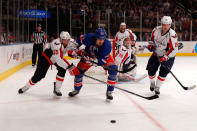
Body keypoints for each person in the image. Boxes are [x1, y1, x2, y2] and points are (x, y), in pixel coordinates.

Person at [18, 31, 80, 96]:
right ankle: (26, 87)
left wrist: (79, 51)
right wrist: (70, 67)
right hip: (46, 58)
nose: (67, 41)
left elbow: (78, 45)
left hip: (56, 58)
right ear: (61, 39)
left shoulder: (71, 42)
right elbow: (58, 59)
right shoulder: (56, 44)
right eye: (65, 40)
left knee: (62, 69)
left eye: (68, 40)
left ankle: (57, 89)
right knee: (39, 76)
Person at [67, 28, 118, 100]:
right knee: (78, 72)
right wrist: (75, 48)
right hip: (88, 55)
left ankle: (109, 91)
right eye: (99, 39)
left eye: (103, 39)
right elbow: (79, 40)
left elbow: (102, 61)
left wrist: (95, 61)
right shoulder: (88, 37)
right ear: (95, 37)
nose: (101, 41)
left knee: (113, 69)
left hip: (101, 58)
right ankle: (77, 89)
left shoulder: (107, 45)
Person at [146, 16, 178, 95]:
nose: (165, 26)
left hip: (168, 56)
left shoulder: (172, 34)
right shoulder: (155, 30)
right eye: (164, 24)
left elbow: (174, 49)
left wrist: (166, 57)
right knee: (150, 70)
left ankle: (157, 87)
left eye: (167, 24)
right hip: (156, 53)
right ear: (161, 24)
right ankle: (152, 82)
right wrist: (150, 45)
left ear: (170, 25)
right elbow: (152, 41)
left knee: (164, 72)